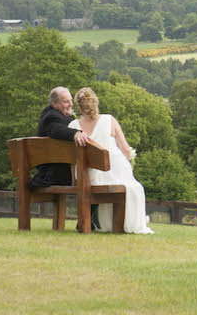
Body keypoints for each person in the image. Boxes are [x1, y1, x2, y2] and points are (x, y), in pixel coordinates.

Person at [69, 87, 154, 234]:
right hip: (109, 172)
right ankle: (128, 223)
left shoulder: (73, 126)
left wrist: (74, 179)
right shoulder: (109, 120)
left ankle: (97, 221)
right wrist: (127, 160)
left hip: (85, 175)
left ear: (79, 106)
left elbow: (71, 159)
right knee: (135, 188)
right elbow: (125, 150)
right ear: (95, 103)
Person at [29, 86, 89, 188]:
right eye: (66, 102)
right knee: (92, 177)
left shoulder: (60, 115)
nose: (71, 104)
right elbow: (56, 130)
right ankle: (90, 204)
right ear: (54, 104)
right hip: (56, 173)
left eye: (70, 100)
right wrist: (76, 133)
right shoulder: (51, 117)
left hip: (60, 169)